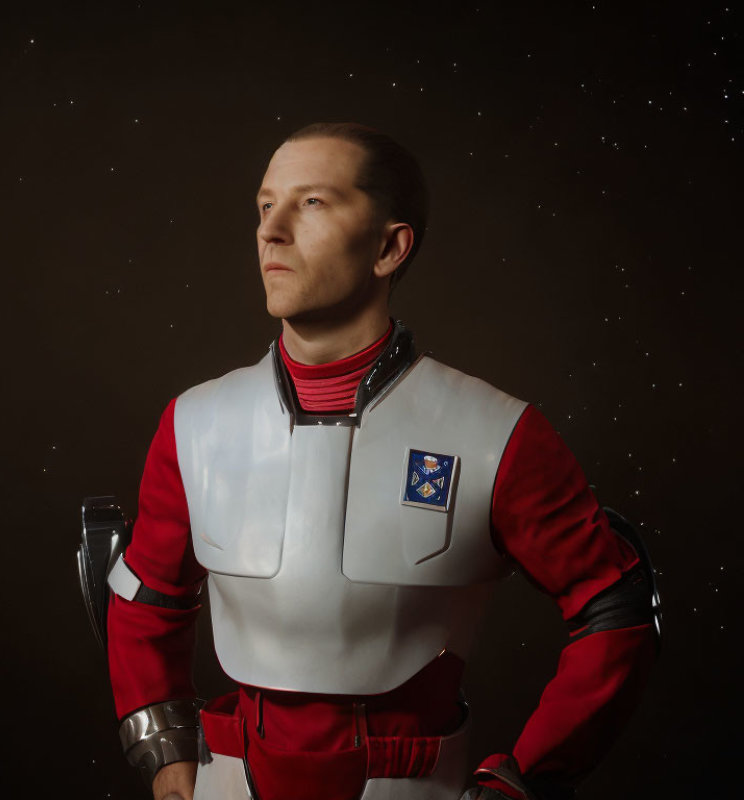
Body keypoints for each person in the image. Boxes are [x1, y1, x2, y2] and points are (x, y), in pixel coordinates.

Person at [100, 122, 659, 800]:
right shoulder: (194, 424)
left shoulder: (496, 434)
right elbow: (146, 597)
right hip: (227, 781)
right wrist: (165, 757)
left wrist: (522, 778)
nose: (270, 231)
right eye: (264, 205)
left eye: (311, 204)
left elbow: (616, 609)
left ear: (390, 247)